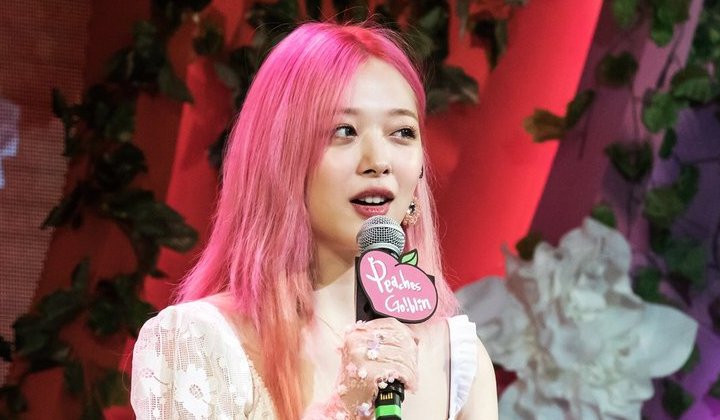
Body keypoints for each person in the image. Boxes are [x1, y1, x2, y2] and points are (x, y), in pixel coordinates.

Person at [130, 21, 497, 420]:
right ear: (282, 158)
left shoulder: (458, 362)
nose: (378, 161)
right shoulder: (195, 341)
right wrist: (347, 406)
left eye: (402, 132)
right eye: (344, 131)